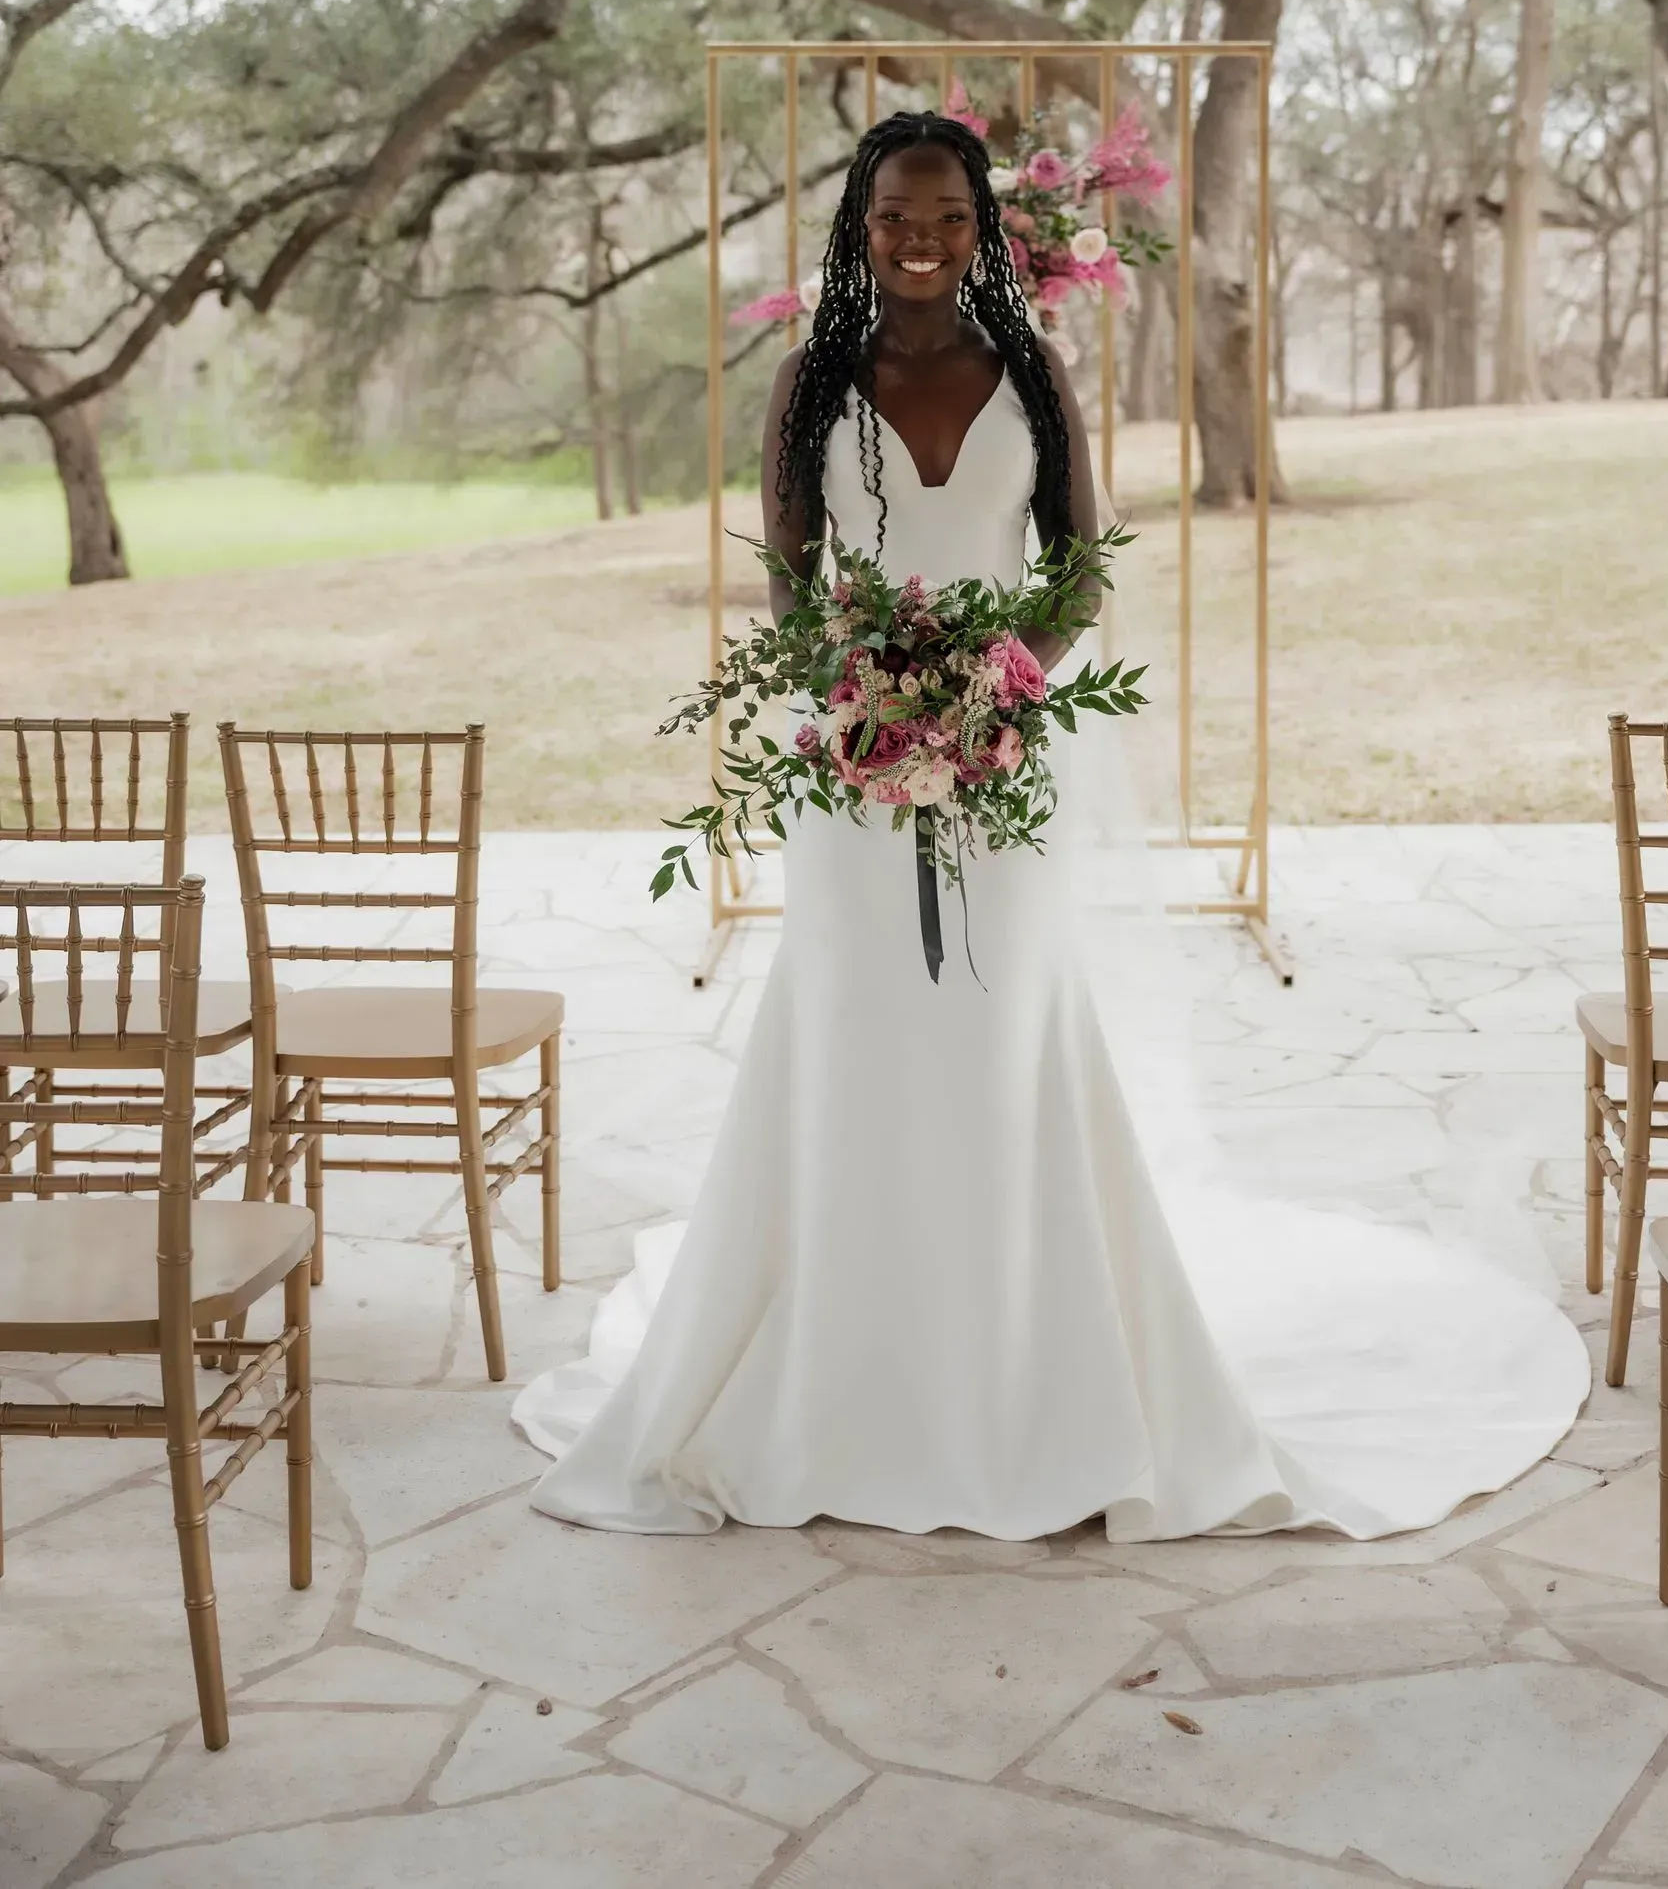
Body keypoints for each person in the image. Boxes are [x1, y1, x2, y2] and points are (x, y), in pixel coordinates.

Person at [513, 110, 1587, 1539]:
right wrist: (868, 696)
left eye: (949, 213)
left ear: (983, 227)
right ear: (861, 218)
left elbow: (1081, 570)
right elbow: (789, 585)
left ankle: (1025, 1371)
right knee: (857, 1031)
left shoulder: (1034, 369)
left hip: (1008, 763)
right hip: (848, 774)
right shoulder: (806, 382)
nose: (921, 237)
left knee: (1003, 1032)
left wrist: (993, 686)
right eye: (898, 211)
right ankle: (845, 1374)